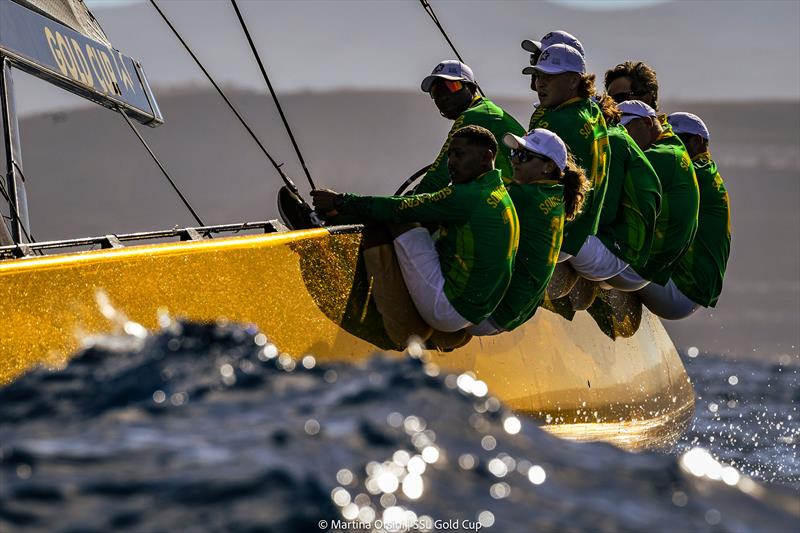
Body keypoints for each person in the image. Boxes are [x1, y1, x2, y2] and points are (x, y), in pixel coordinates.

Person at [311, 125, 519, 348]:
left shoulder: (468, 196)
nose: (451, 162)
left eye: (459, 154)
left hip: (448, 310)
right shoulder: (498, 192)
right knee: (420, 225)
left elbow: (401, 209)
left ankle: (389, 320)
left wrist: (341, 201)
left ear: (486, 158)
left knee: (395, 220)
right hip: (475, 313)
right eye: (450, 155)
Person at [468, 128, 589, 335]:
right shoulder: (555, 193)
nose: (515, 161)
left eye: (523, 156)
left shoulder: (526, 197)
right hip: (518, 312)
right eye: (514, 154)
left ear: (548, 166)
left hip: (492, 313)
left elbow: (466, 202)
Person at [526, 44, 611, 298]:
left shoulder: (554, 121)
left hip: (560, 235)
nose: (540, 84)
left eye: (550, 77)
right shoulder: (592, 109)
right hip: (583, 230)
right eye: (539, 76)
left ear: (574, 80)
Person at [566, 94, 662, 305]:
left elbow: (605, 212)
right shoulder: (615, 137)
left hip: (619, 255)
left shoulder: (613, 141)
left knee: (547, 228)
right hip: (626, 256)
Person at [638, 112, 731, 319]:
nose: (668, 146)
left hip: (680, 292)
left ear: (697, 142)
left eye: (676, 138)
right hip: (684, 290)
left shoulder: (695, 173)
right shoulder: (704, 170)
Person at [606, 100, 699, 290]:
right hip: (653, 269)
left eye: (626, 129)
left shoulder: (659, 156)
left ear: (647, 123)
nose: (624, 136)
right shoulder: (673, 148)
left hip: (639, 270)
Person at [415, 60, 525, 193]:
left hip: (516, 200)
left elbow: (438, 177)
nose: (444, 96)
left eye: (452, 86)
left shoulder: (475, 115)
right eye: (436, 91)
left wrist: (407, 206)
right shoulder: (484, 109)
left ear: (472, 88)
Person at [520, 30, 585, 93]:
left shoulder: (584, 103)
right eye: (534, 58)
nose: (537, 65)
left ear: (574, 80)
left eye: (545, 57)